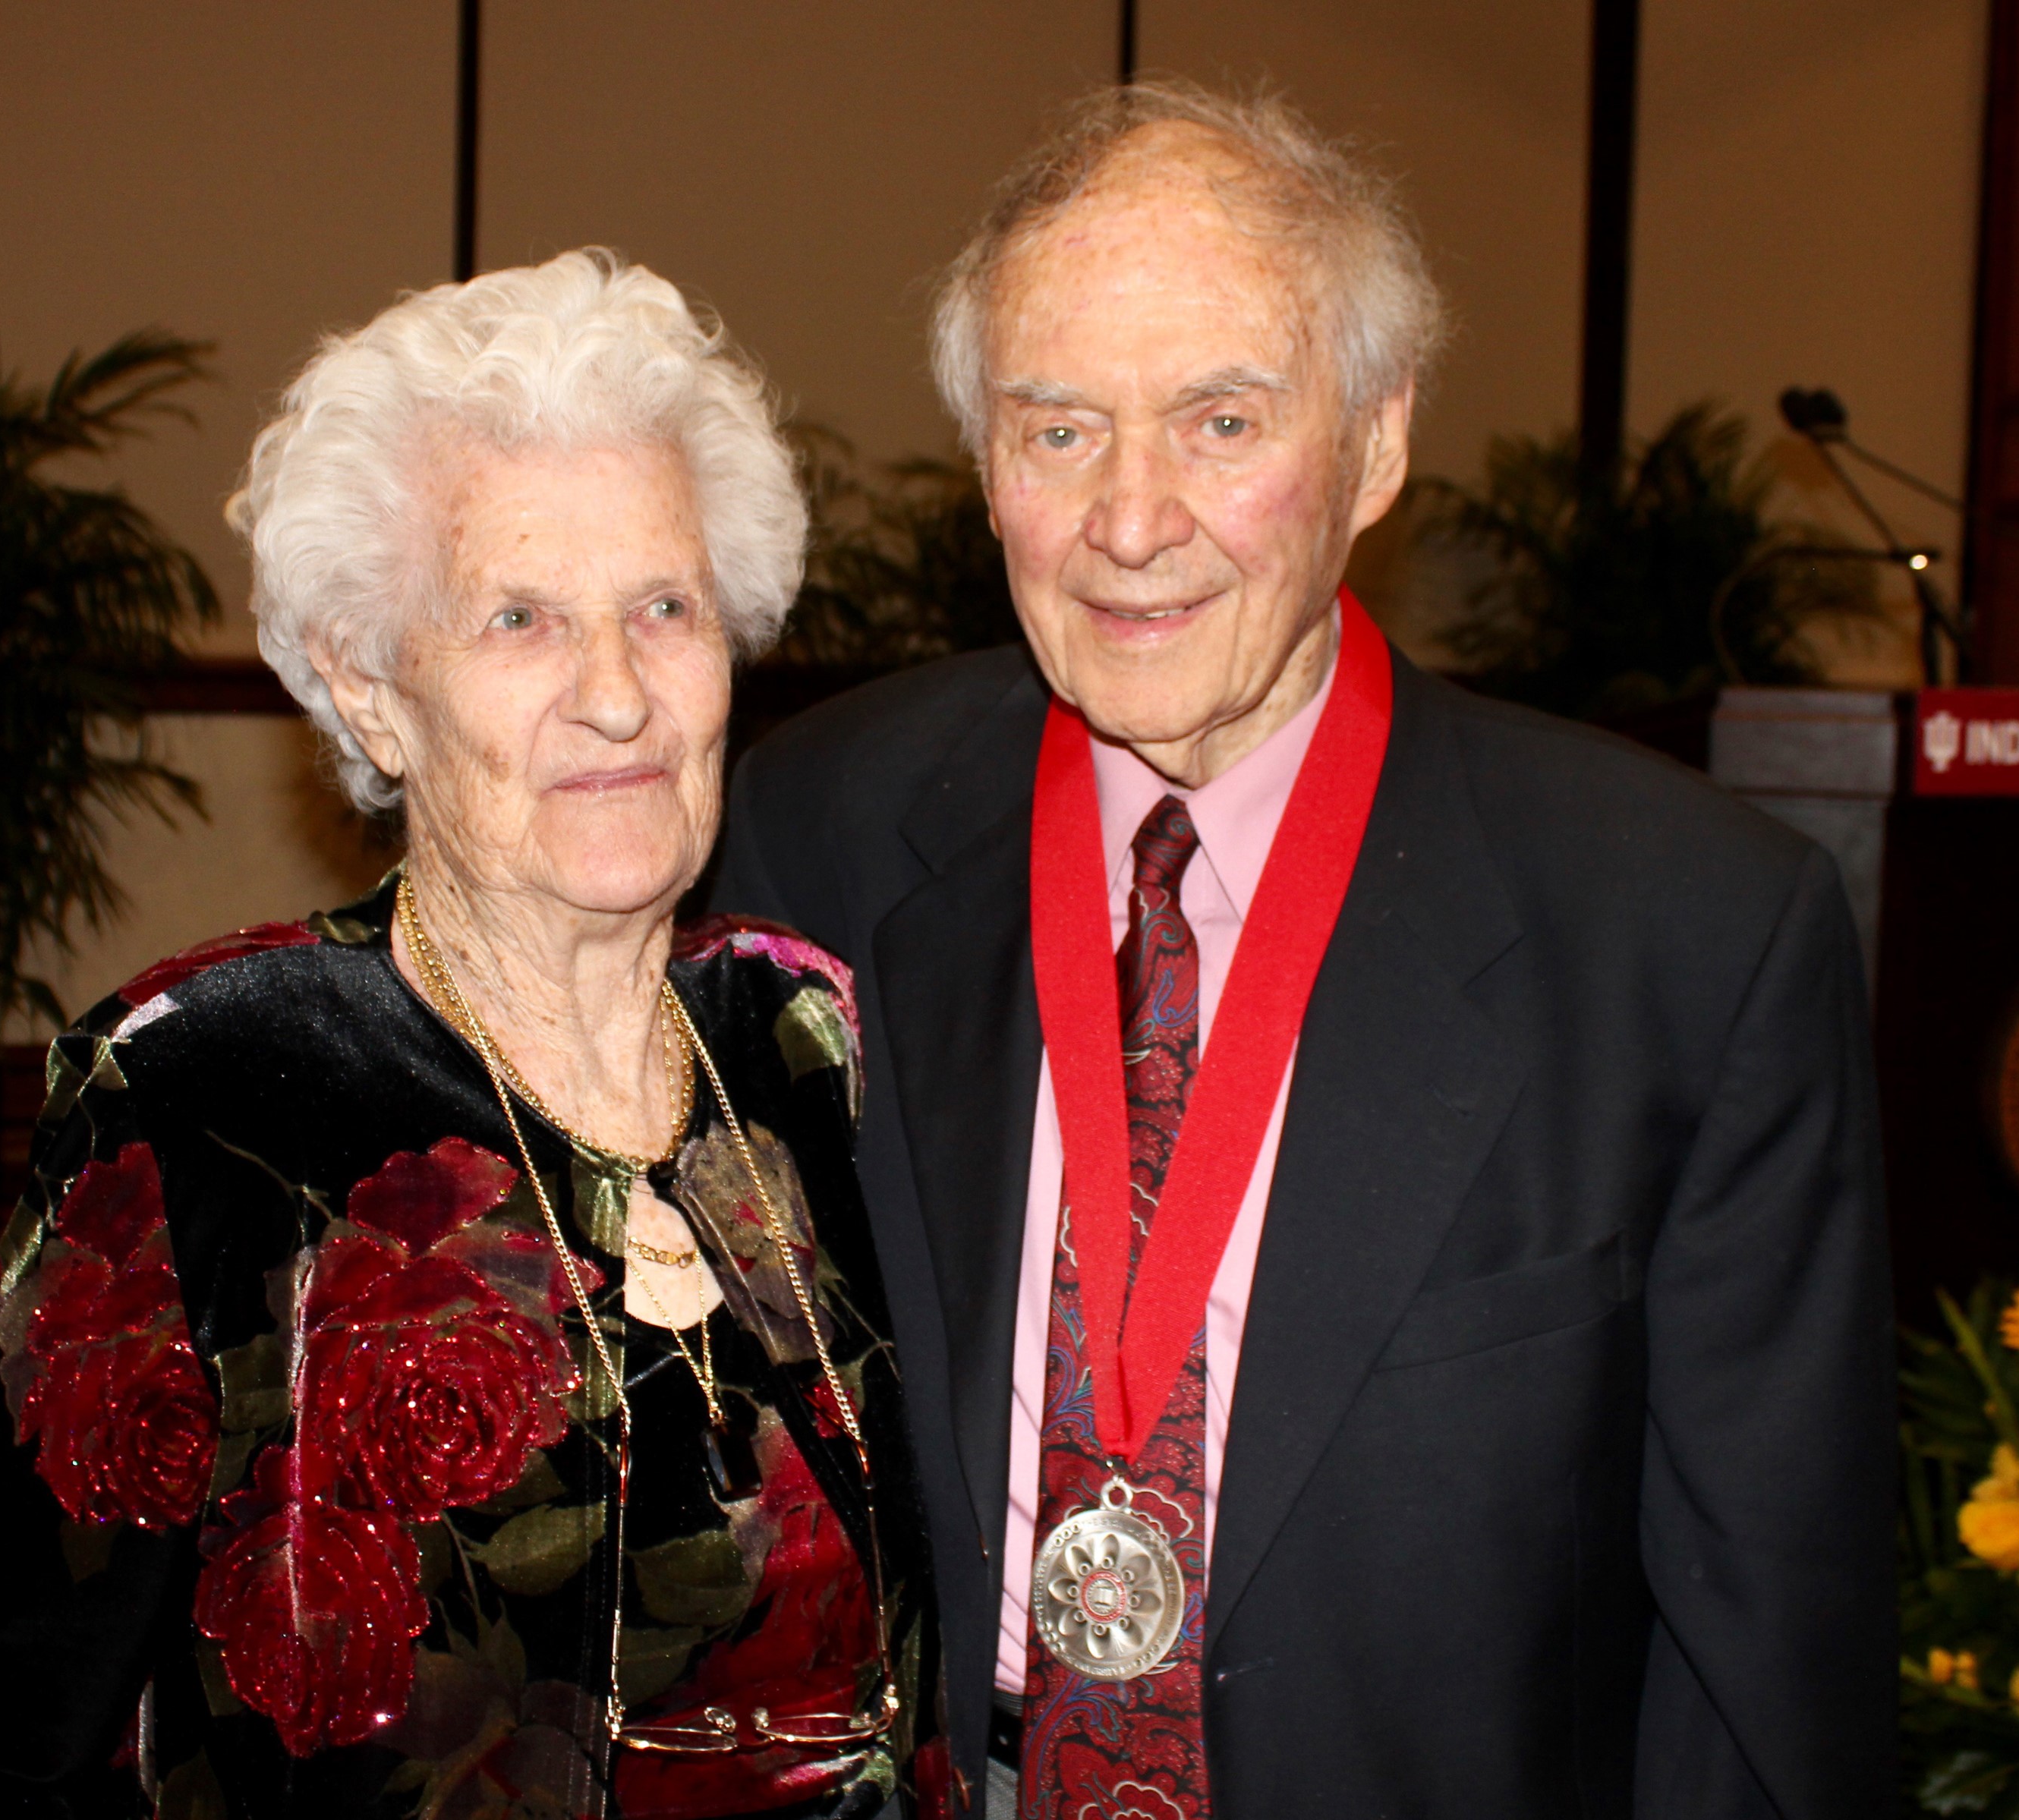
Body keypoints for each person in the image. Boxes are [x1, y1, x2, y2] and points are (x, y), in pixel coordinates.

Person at [713, 83, 1893, 1818]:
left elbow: (1765, 1665)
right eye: (1057, 431)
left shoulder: (1688, 935)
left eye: (1220, 421)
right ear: (984, 463)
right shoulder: (816, 832)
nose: (1129, 520)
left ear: (1377, 442)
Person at [0, 252, 947, 1818]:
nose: (616, 694)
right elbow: (12, 1747)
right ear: (369, 688)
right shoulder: (198, 1090)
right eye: (519, 618)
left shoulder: (815, 1040)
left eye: (664, 606)